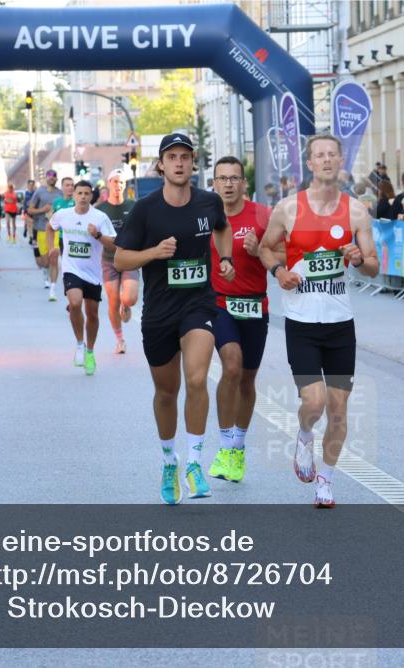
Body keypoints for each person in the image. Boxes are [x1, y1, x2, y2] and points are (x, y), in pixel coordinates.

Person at [258, 134, 380, 508]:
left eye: (332, 155)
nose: (326, 160)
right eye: (319, 156)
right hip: (302, 323)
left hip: (341, 324)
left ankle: (325, 480)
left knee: (339, 410)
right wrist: (279, 271)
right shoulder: (288, 209)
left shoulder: (356, 211)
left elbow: (374, 267)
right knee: (314, 402)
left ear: (341, 160)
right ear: (309, 164)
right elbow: (265, 247)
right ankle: (305, 433)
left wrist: (358, 258)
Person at [114, 133, 235, 505]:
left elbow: (222, 228)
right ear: (162, 165)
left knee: (197, 377)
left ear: (192, 162)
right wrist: (153, 252)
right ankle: (170, 461)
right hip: (160, 312)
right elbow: (120, 260)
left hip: (198, 303)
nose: (180, 163)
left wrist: (225, 258)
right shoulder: (146, 209)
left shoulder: (209, 201)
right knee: (167, 393)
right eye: (172, 157)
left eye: (185, 156)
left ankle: (195, 463)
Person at [207, 156, 273, 485]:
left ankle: (237, 446)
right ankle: (223, 444)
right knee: (230, 365)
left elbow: (286, 254)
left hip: (255, 305)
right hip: (219, 304)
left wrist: (260, 249)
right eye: (223, 178)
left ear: (244, 184)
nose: (229, 184)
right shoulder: (205, 214)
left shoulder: (262, 214)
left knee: (247, 380)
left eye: (235, 178)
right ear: (214, 183)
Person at [47, 180, 116, 376]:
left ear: (91, 196)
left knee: (92, 314)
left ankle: (90, 352)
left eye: (87, 193)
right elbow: (51, 227)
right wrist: (52, 247)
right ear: (74, 195)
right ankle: (79, 343)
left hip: (93, 273)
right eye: (80, 193)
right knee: (75, 303)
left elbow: (113, 244)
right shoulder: (64, 215)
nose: (83, 197)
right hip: (72, 269)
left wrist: (98, 235)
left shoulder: (100, 217)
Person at [95, 169, 139, 354]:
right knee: (112, 301)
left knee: (129, 297)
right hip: (108, 260)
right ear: (109, 183)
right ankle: (120, 340)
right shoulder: (100, 209)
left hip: (129, 258)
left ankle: (126, 304)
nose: (118, 185)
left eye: (121, 182)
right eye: (115, 182)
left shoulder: (134, 205)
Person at [27, 169, 63, 300]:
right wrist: (43, 209)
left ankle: (52, 289)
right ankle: (45, 269)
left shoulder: (60, 193)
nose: (52, 178)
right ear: (46, 178)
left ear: (56, 179)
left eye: (54, 176)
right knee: (44, 261)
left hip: (55, 230)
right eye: (49, 176)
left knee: (53, 258)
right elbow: (30, 210)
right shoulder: (39, 192)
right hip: (41, 229)